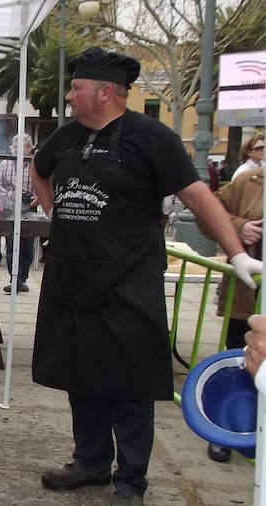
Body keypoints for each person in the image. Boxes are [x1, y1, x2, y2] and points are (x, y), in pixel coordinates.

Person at [31, 47, 261, 505]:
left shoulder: (151, 137)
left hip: (127, 281)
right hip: (72, 279)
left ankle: (130, 481)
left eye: (77, 88)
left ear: (106, 92)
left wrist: (236, 255)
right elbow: (39, 171)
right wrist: (58, 216)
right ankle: (91, 462)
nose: (70, 95)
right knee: (81, 375)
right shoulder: (67, 136)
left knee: (129, 384)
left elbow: (198, 197)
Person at [198, 163, 263, 461]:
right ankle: (232, 427)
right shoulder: (249, 181)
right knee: (242, 354)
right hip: (250, 291)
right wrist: (238, 227)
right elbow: (205, 210)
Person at [0, 133, 37, 293]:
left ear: (28, 147)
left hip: (29, 208)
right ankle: (14, 279)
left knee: (27, 247)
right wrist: (10, 194)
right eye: (14, 146)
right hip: (9, 208)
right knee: (11, 244)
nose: (15, 149)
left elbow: (45, 183)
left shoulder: (36, 163)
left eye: (19, 146)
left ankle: (22, 279)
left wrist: (38, 197)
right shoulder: (5, 163)